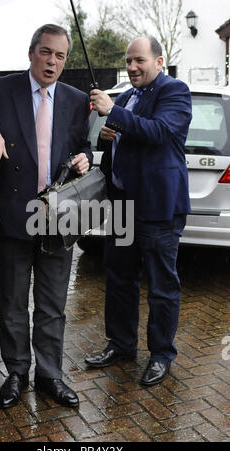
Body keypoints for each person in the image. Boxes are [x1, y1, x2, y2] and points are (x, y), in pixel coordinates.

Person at [0, 24, 92, 408]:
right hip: (14, 212)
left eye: (60, 56)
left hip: (59, 217)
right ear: (31, 53)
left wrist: (84, 160)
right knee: (11, 300)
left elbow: (83, 147)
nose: (52, 62)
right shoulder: (0, 90)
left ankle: (49, 375)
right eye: (46, 52)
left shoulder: (76, 101)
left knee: (52, 303)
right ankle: (16, 372)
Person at [86, 36, 192, 386]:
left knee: (161, 285)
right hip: (122, 203)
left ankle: (161, 354)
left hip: (157, 207)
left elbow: (160, 132)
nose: (132, 67)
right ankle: (121, 344)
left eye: (140, 61)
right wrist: (106, 137)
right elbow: (123, 140)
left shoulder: (175, 92)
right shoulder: (128, 97)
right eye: (129, 61)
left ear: (159, 62)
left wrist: (112, 112)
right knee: (119, 278)